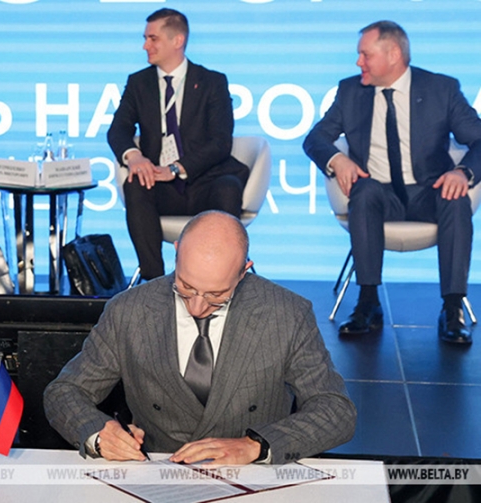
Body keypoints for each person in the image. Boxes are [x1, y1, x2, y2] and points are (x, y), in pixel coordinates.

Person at [44, 211, 356, 464]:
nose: (197, 306)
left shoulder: (287, 314)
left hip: (252, 480)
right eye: (186, 286)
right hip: (156, 476)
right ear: (176, 252)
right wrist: (99, 434)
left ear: (244, 271)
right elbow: (64, 392)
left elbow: (335, 411)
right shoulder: (128, 311)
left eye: (216, 294)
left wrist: (256, 446)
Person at [303, 21, 481, 344]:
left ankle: (452, 308)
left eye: (365, 55)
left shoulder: (441, 89)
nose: (358, 62)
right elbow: (315, 139)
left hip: (429, 191)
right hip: (379, 193)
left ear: (394, 54)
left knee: (456, 199)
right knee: (364, 192)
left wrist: (463, 173)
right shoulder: (350, 91)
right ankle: (367, 303)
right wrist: (337, 159)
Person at [107, 8, 249, 282]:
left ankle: (221, 280)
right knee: (136, 184)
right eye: (145, 38)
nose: (145, 46)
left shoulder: (212, 82)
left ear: (177, 40)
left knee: (228, 187)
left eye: (152, 38)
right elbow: (118, 130)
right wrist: (134, 156)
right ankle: (154, 282)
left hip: (205, 180)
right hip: (161, 185)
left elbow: (220, 142)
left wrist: (176, 168)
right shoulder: (139, 83)